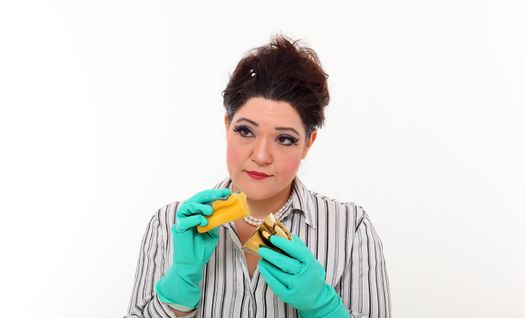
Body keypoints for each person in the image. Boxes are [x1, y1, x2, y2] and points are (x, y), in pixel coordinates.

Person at [124, 35, 391, 318]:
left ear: (308, 144)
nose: (261, 155)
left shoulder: (351, 230)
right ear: (227, 126)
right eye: (246, 131)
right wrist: (178, 293)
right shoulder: (168, 225)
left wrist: (323, 307)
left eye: (285, 139)